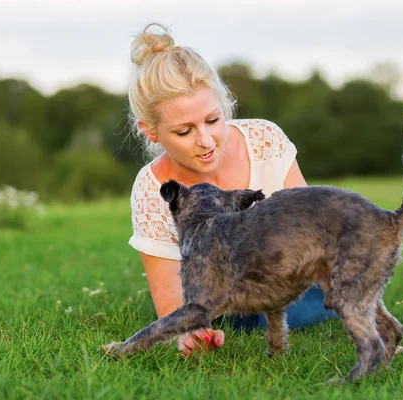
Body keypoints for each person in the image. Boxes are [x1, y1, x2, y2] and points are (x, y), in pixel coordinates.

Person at [122, 23, 335, 357]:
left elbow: (317, 237)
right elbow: (172, 301)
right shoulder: (153, 190)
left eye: (212, 120)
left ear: (225, 105)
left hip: (293, 289)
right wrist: (191, 335)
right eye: (184, 131)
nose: (206, 141)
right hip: (221, 305)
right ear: (151, 132)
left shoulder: (266, 139)